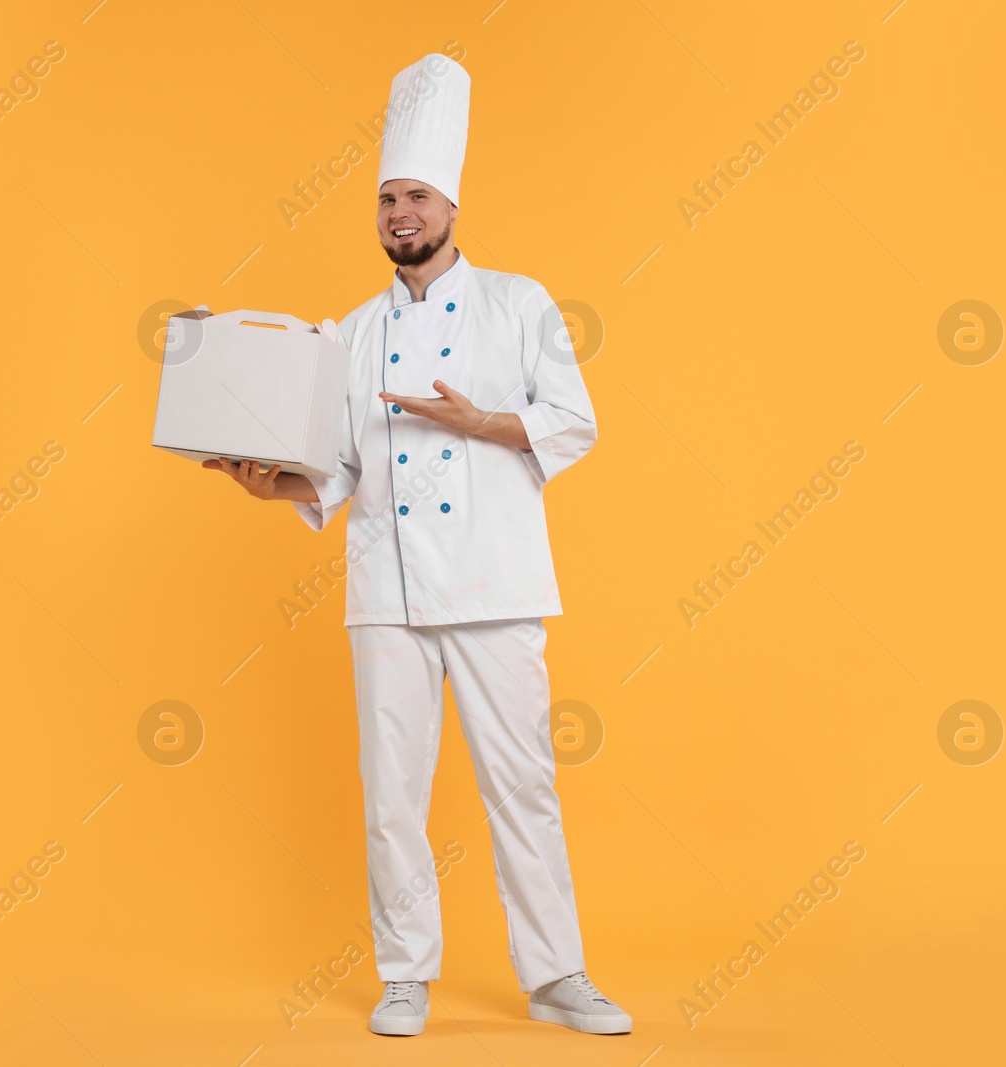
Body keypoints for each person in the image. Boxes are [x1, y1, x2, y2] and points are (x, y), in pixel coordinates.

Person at [204, 53, 629, 1038]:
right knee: (392, 791)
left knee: (521, 783)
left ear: (449, 205)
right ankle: (405, 972)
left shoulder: (518, 303)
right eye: (389, 195)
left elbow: (574, 419)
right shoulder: (347, 335)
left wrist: (482, 423)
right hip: (385, 594)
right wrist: (271, 483)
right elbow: (339, 472)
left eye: (418, 195)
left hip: (496, 582)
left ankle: (558, 973)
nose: (401, 210)